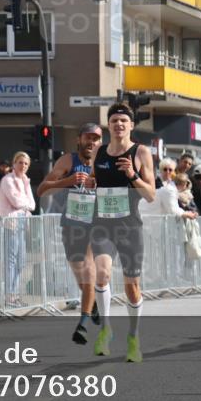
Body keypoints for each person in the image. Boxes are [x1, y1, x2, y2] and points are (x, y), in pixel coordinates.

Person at [84, 103, 155, 363]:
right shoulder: (99, 152)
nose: (119, 125)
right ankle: (106, 330)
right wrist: (90, 184)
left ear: (131, 125)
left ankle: (134, 337)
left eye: (123, 121)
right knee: (101, 275)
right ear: (108, 125)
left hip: (130, 227)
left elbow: (150, 195)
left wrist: (132, 175)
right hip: (102, 224)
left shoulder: (141, 152)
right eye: (114, 121)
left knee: (132, 287)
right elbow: (94, 180)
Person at [37, 123, 103, 343]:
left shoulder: (105, 162)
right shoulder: (68, 160)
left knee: (89, 265)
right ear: (79, 140)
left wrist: (99, 185)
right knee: (78, 268)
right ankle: (90, 301)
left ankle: (83, 323)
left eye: (96, 138)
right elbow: (42, 189)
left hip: (96, 223)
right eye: (88, 137)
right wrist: (68, 181)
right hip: (72, 223)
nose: (91, 142)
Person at [0, 151, 35, 308]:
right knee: (11, 260)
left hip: (21, 222)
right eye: (20, 162)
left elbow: (32, 204)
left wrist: (25, 204)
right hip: (9, 222)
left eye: (26, 163)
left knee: (21, 260)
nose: (23, 166)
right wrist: (25, 205)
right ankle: (9, 296)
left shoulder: (26, 180)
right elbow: (16, 201)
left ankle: (15, 293)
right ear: (14, 164)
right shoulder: (7, 180)